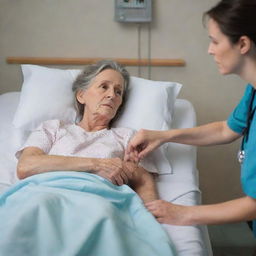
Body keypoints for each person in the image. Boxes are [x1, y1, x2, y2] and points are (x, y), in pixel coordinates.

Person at [126, 0, 256, 234]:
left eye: (215, 41)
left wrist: (184, 213)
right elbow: (226, 130)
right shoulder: (253, 90)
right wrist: (163, 136)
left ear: (243, 43)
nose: (210, 50)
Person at [17, 60, 158, 204]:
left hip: (98, 202)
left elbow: (143, 179)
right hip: (47, 197)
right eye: (104, 87)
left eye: (118, 92)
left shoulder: (127, 137)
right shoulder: (53, 128)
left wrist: (151, 213)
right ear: (81, 96)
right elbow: (26, 166)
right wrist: (95, 164)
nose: (112, 95)